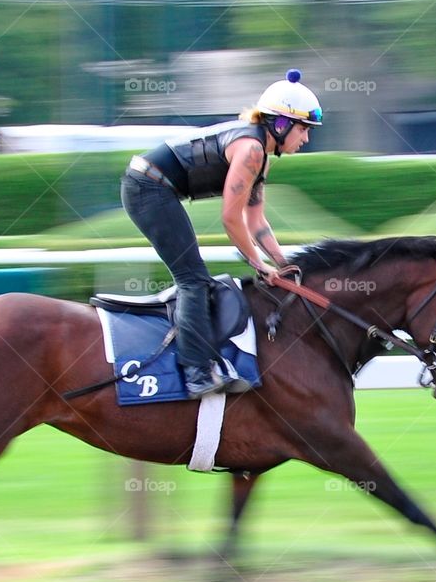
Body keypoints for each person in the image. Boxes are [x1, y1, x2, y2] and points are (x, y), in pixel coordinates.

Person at [121, 68, 323, 398]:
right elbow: (231, 219)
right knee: (194, 279)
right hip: (148, 187)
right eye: (303, 129)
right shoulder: (252, 151)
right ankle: (197, 372)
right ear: (281, 124)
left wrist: (284, 263)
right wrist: (260, 266)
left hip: (158, 188)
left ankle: (202, 360)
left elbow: (256, 220)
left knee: (196, 278)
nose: (306, 139)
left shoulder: (261, 156)